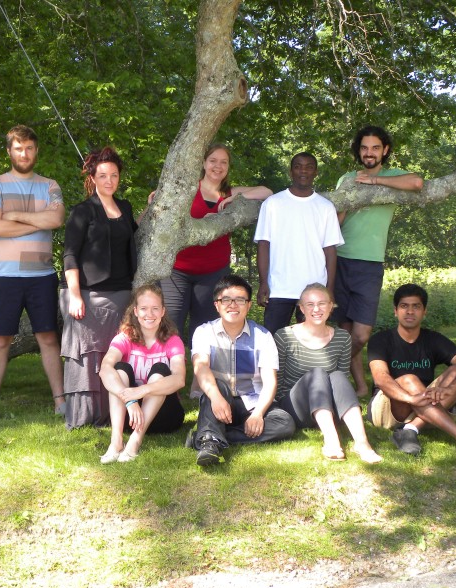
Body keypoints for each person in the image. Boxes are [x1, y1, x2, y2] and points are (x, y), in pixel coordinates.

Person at [367, 284, 456, 474]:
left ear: (424, 311)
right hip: (387, 408)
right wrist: (410, 398)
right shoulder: (380, 339)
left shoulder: (433, 339)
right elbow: (380, 378)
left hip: (424, 403)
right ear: (395, 311)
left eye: (416, 306)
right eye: (404, 306)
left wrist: (450, 389)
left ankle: (410, 429)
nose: (410, 311)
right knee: (408, 379)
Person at [0, 125, 66, 420]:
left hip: (41, 276)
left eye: (29, 148)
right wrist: (38, 221)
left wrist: (16, 215)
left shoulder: (50, 185)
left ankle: (60, 402)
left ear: (36, 150)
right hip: (4, 276)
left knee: (48, 338)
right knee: (0, 340)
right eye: (18, 148)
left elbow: (56, 219)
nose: (24, 153)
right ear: (9, 151)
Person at [334, 126, 424, 397]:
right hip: (339, 260)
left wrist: (374, 182)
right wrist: (347, 200)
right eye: (364, 148)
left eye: (375, 147)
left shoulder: (393, 176)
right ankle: (360, 387)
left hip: (370, 263)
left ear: (385, 150)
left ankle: (330, 371)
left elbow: (417, 183)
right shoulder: (347, 178)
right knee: (345, 331)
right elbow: (336, 222)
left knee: (361, 335)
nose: (369, 153)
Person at [158, 143, 272, 342]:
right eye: (213, 161)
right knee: (169, 327)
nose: (218, 166)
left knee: (205, 331)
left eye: (223, 162)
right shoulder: (186, 190)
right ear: (203, 163)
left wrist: (237, 198)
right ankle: (171, 363)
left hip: (213, 273)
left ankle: (199, 363)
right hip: (177, 271)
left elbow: (267, 191)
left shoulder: (230, 193)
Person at [61, 147, 138, 429]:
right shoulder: (82, 211)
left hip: (122, 293)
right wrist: (74, 295)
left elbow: (132, 235)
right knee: (89, 356)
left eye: (114, 175)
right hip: (87, 294)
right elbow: (70, 255)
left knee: (115, 353)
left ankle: (113, 414)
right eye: (103, 175)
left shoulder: (125, 207)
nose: (109, 180)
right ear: (92, 178)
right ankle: (86, 416)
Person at [185, 274, 295, 466]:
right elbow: (200, 368)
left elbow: (270, 382)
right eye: (226, 300)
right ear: (217, 305)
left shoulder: (262, 336)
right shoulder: (204, 332)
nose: (233, 305)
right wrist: (217, 398)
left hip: (252, 402)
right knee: (217, 385)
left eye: (240, 300)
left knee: (284, 423)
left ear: (249, 305)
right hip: (218, 398)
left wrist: (258, 414)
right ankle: (210, 441)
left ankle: (207, 437)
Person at [274, 284, 382, 463]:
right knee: (317, 374)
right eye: (310, 304)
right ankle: (332, 440)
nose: (316, 309)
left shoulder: (342, 337)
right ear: (302, 308)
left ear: (331, 306)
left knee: (338, 376)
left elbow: (342, 382)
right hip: (295, 408)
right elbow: (277, 381)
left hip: (327, 409)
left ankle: (362, 443)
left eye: (322, 303)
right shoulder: (284, 336)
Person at [255, 152, 343, 334]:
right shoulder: (272, 203)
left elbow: (330, 250)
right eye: (298, 167)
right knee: (273, 340)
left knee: (312, 342)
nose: (303, 171)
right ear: (291, 171)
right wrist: (263, 282)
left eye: (309, 167)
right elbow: (263, 244)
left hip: (315, 289)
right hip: (279, 288)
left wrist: (329, 289)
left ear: (316, 172)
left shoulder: (325, 207)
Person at [98, 284, 186, 463]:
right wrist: (130, 401)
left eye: (155, 308)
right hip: (129, 416)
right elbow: (105, 368)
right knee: (120, 369)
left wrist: (141, 391)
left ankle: (134, 443)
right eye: (144, 308)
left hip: (164, 416)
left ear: (163, 311)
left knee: (161, 370)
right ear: (136, 311)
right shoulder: (124, 337)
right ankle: (116, 442)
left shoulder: (173, 340)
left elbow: (179, 379)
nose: (149, 314)